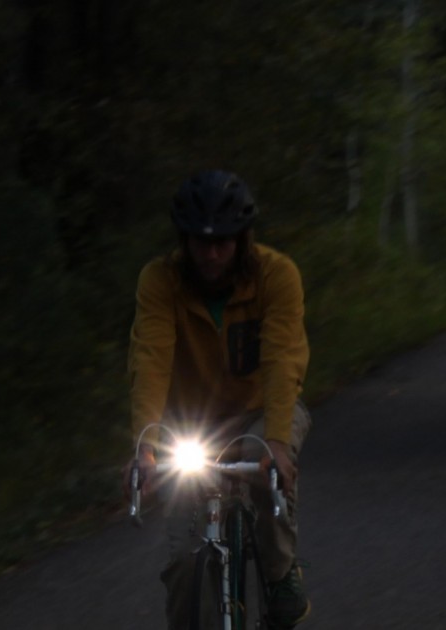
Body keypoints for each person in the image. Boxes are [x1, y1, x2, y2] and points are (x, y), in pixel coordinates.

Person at [125, 170, 312, 629]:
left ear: (243, 239)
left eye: (224, 242)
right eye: (200, 242)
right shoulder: (160, 280)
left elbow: (283, 359)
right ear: (184, 240)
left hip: (261, 413)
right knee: (186, 563)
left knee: (262, 460)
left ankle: (281, 572)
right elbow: (150, 358)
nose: (211, 254)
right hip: (191, 424)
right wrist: (144, 448)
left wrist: (279, 444)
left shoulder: (277, 274)